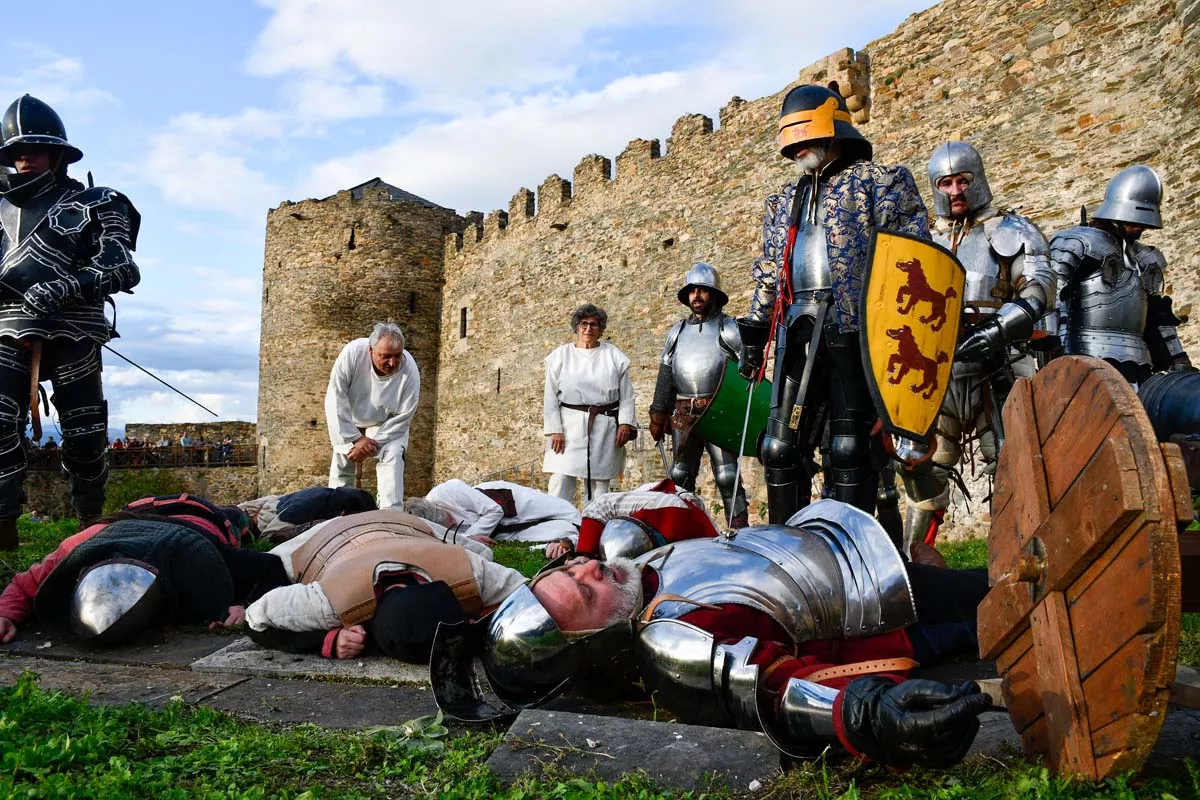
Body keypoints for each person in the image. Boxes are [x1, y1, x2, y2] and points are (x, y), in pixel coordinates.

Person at [431, 499, 991, 769]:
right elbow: (771, 685)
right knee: (1011, 589)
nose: (586, 571)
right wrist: (862, 714)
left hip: (841, 550)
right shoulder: (670, 643)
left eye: (567, 571)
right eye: (583, 595)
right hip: (893, 611)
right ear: (592, 645)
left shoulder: (634, 570)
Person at [738, 84, 930, 525]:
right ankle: (787, 549)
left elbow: (911, 262)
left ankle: (847, 552)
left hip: (856, 328)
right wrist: (754, 329)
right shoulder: (783, 201)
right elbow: (771, 268)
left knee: (849, 450)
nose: (800, 147)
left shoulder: (881, 183)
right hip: (795, 329)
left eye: (807, 136)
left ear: (834, 131)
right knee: (779, 448)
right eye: (795, 141)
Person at [0, 95, 141, 549]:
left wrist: (68, 285)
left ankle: (88, 528)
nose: (25, 159)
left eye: (35, 150)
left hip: (74, 328)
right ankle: (3, 532)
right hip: (6, 327)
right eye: (17, 152)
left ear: (57, 154)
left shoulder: (98, 202)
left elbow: (123, 268)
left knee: (84, 434)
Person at [900, 142, 1056, 549]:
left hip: (999, 365)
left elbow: (1039, 290)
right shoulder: (921, 241)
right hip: (937, 370)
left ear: (978, 180)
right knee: (918, 464)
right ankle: (914, 571)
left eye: (962, 181)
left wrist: (997, 331)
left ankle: (1019, 561)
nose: (955, 191)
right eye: (945, 183)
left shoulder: (1010, 231)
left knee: (1010, 463)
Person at [0, 496, 285, 645]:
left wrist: (249, 607)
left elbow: (270, 567)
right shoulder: (83, 544)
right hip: (137, 511)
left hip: (203, 515)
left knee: (240, 519)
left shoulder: (205, 555)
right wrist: (4, 614)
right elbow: (25, 585)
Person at [244, 509, 517, 660]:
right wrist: (325, 639)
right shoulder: (328, 603)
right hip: (323, 538)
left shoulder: (472, 572)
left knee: (483, 552)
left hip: (401, 523)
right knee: (274, 564)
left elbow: (526, 592)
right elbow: (254, 619)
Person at [1050, 165, 1192, 385]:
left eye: (1143, 224)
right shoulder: (1078, 243)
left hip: (1140, 365)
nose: (1139, 228)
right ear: (1117, 210)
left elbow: (1156, 313)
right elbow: (1052, 297)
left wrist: (1177, 356)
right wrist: (1055, 352)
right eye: (1133, 221)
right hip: (1085, 355)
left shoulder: (1144, 258)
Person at [648, 264, 748, 527]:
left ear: (714, 294)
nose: (697, 296)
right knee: (680, 475)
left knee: (727, 475)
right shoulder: (677, 332)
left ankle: (738, 529)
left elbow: (747, 372)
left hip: (718, 409)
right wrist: (659, 410)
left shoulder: (729, 328)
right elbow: (666, 372)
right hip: (683, 412)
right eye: (693, 290)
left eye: (703, 290)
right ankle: (683, 527)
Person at [542, 305, 636, 504]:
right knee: (561, 478)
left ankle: (593, 528)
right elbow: (550, 396)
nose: (588, 328)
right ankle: (556, 528)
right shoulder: (560, 356)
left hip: (604, 426)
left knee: (600, 485)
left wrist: (625, 424)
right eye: (584, 324)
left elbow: (627, 396)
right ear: (577, 327)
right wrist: (555, 430)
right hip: (569, 426)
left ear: (601, 329)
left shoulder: (613, 356)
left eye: (594, 324)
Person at [325, 322, 420, 509]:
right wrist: (355, 439)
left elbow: (404, 415)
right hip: (349, 417)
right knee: (343, 459)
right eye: (385, 356)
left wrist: (371, 443)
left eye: (397, 356)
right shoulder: (352, 354)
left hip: (387, 423)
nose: (392, 363)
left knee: (393, 455)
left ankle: (391, 514)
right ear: (371, 351)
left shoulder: (410, 370)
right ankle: (337, 513)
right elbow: (336, 397)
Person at [412, 479, 580, 549]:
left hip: (515, 504)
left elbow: (493, 510)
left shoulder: (447, 491)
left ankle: (576, 526)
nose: (453, 525)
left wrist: (469, 538)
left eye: (450, 521)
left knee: (564, 513)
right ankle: (568, 537)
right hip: (501, 530)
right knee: (546, 538)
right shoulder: (432, 530)